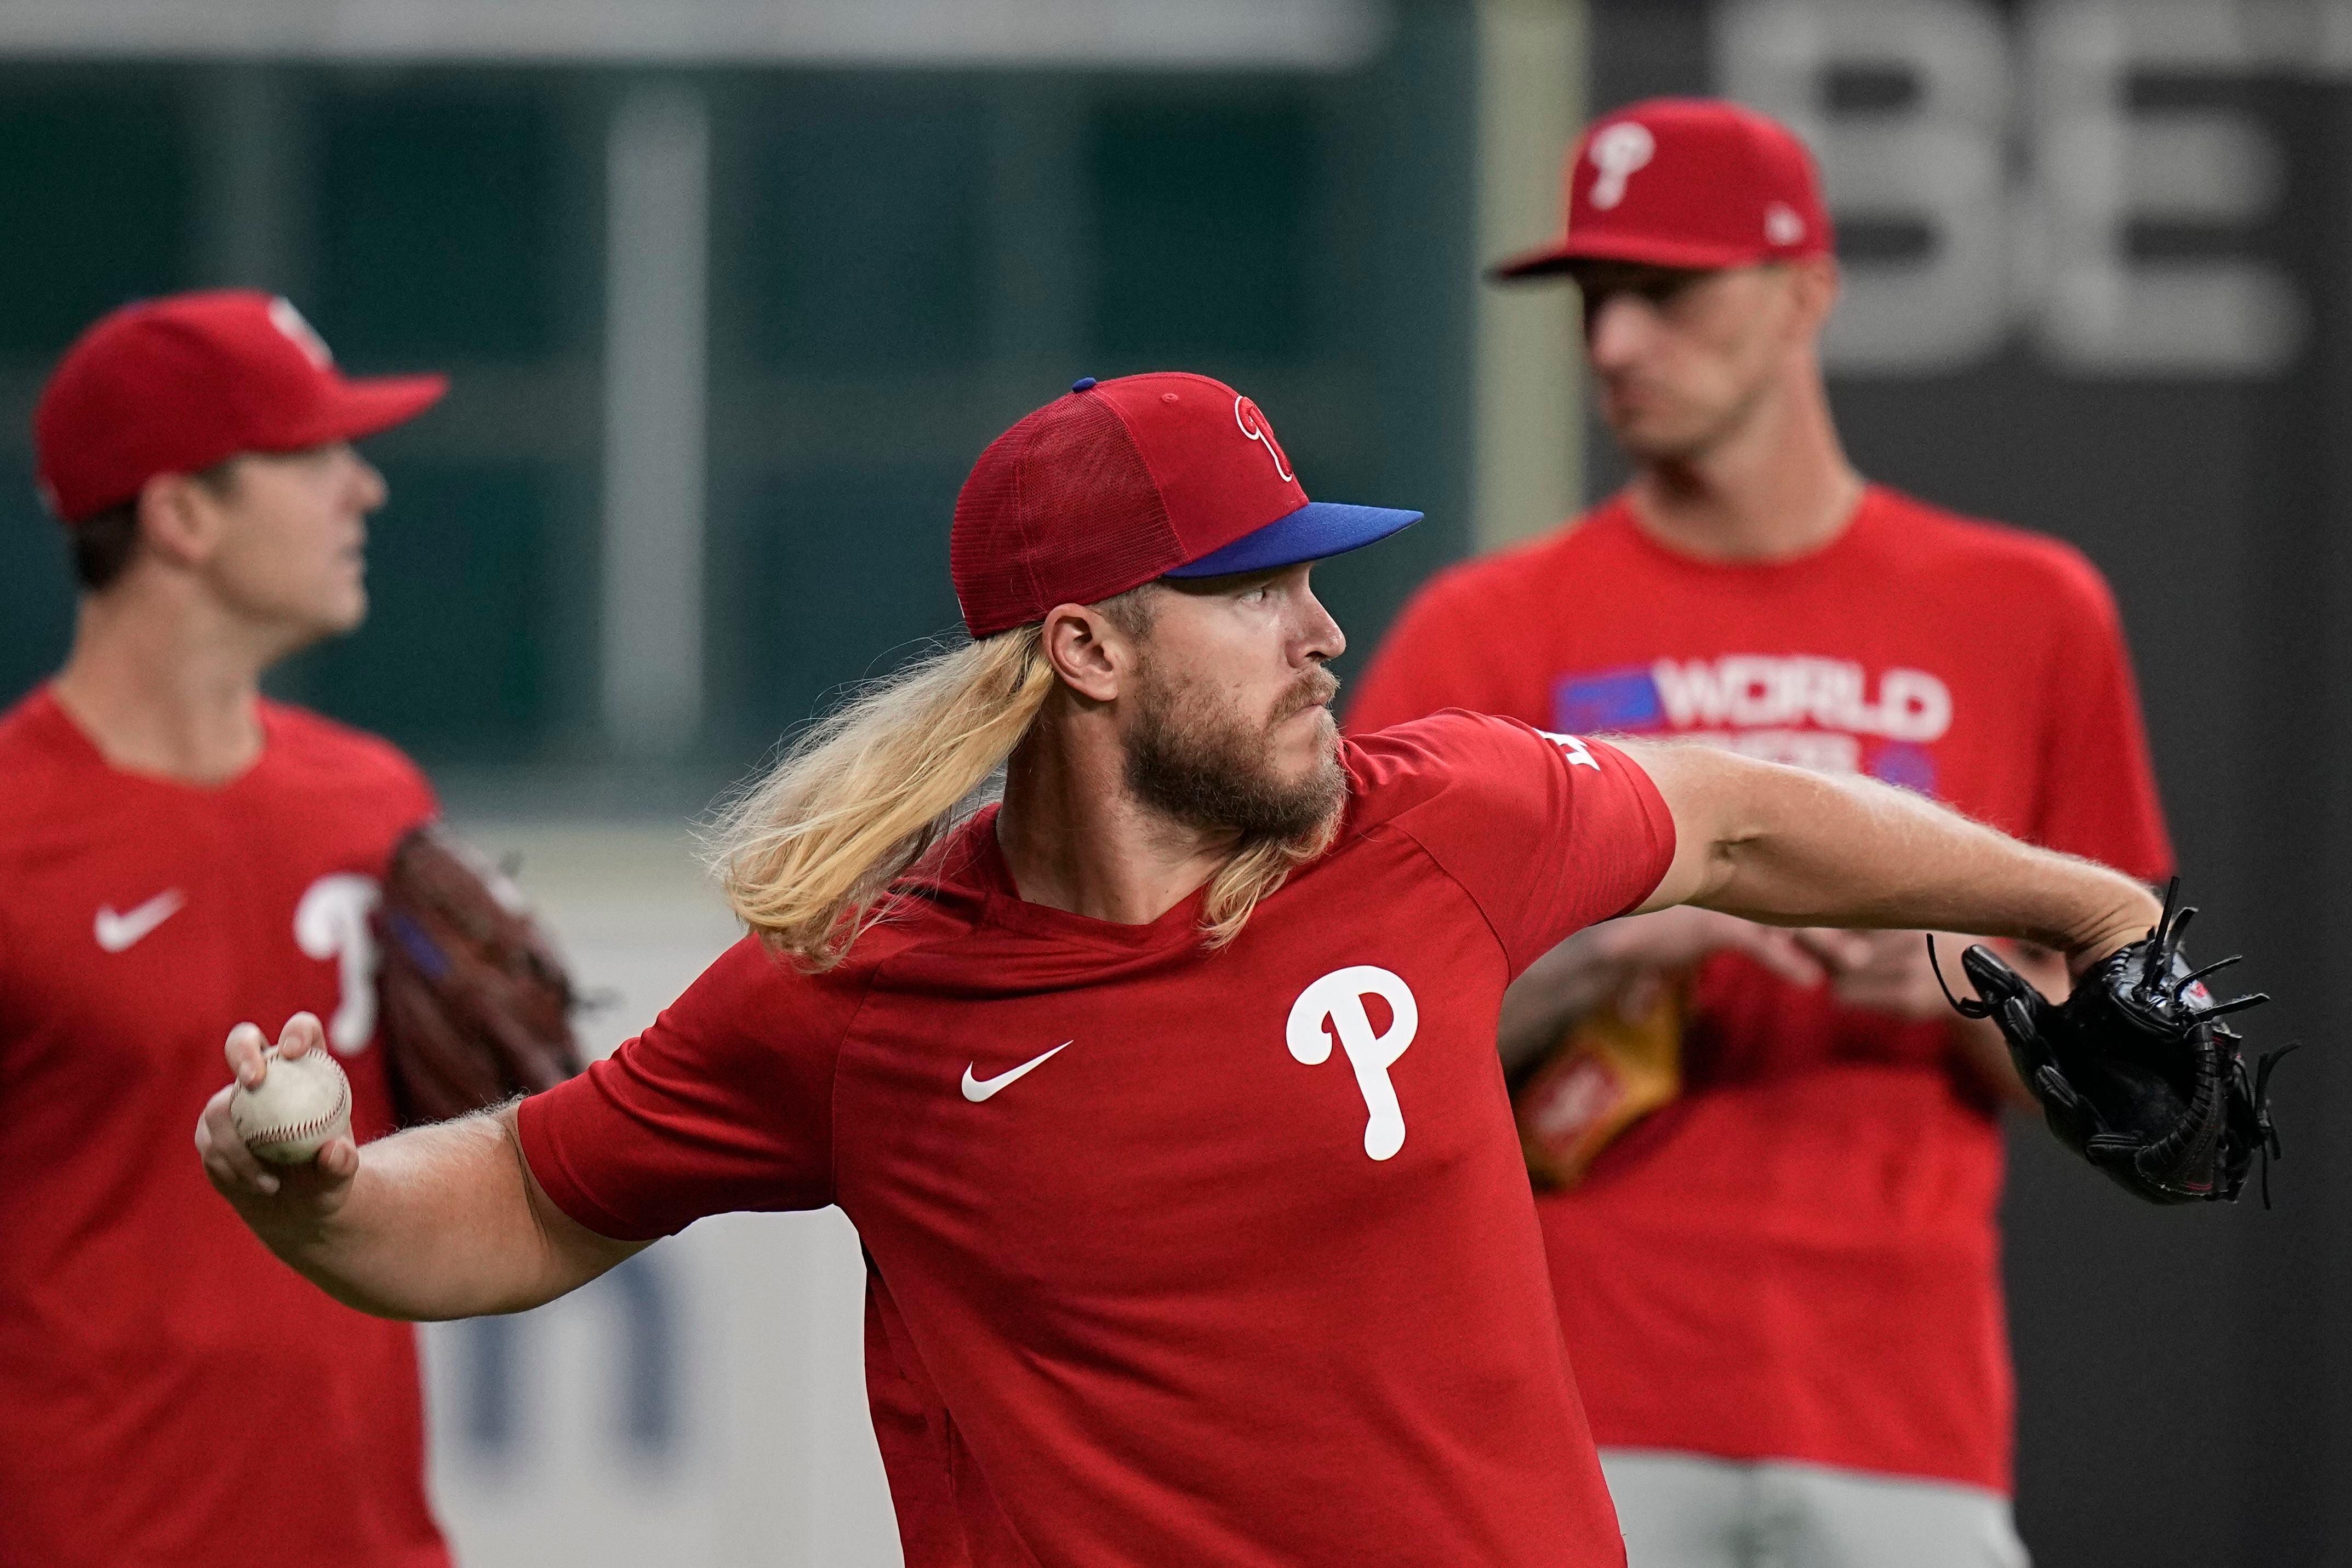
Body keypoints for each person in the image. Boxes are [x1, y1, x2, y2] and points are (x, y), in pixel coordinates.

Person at [198, 371, 2170, 1568]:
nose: (1324, 632)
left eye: (1315, 575)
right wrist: (319, 1190)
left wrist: (2085, 908)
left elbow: (1733, 815)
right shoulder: (874, 988)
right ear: (1086, 653)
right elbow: (529, 1195)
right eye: (1255, 588)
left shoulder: (1438, 823)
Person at [1348, 99, 2172, 1566]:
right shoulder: (1486, 629)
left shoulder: (2026, 611)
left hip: (1899, 1412)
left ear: (1804, 290)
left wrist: (1950, 972)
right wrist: (1620, 943)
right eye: (1594, 301)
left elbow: (2129, 1070)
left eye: (1663, 293)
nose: (1610, 345)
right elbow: (1349, 1035)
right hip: (1562, 1399)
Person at [1, 291, 452, 1568]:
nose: (361, 490)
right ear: (182, 515)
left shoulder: (379, 802)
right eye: (313, 456)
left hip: (367, 1540)